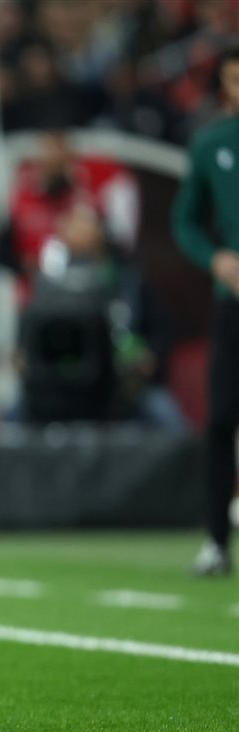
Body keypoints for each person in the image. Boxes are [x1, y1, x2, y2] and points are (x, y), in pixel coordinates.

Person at [172, 46, 239, 577]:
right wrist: (215, 258)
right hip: (233, 302)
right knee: (220, 418)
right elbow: (185, 221)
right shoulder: (212, 144)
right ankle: (216, 540)